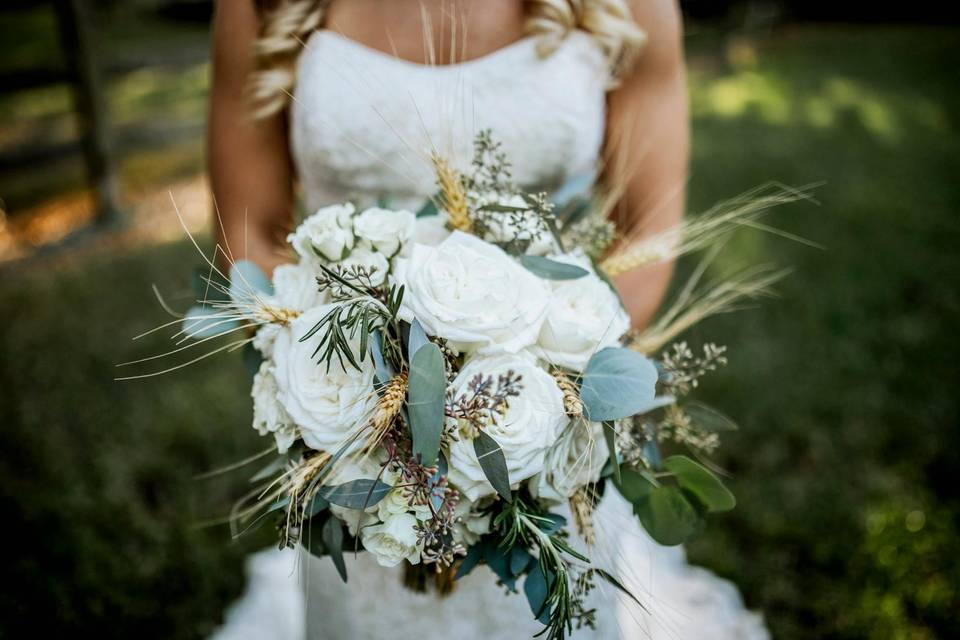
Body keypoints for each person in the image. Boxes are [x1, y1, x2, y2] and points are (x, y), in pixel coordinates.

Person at [208, 1, 769, 638]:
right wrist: (354, 404)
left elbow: (648, 229)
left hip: (545, 422)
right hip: (353, 429)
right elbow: (250, 227)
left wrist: (545, 390)